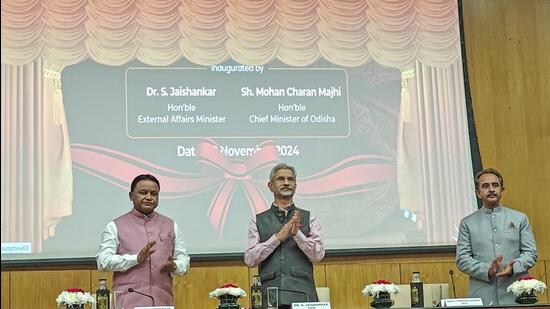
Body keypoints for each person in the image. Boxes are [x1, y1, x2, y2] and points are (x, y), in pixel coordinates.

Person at [96, 174, 190, 309]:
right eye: (143, 192)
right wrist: (135, 259)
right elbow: (103, 261)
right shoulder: (115, 226)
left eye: (154, 194)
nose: (149, 197)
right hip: (127, 303)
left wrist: (174, 266)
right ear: (131, 196)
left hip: (162, 303)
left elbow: (184, 260)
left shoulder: (171, 225)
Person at [244, 163, 325, 308]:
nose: (286, 183)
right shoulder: (257, 220)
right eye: (281, 179)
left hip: (303, 295)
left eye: (290, 179)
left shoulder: (310, 217)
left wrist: (297, 235)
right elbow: (250, 259)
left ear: (295, 185)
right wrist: (277, 237)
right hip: (270, 296)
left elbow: (317, 256)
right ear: (270, 186)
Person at [456, 168, 537, 305]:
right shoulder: (467, 223)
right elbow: (462, 259)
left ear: (502, 190)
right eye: (485, 186)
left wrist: (513, 268)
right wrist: (487, 269)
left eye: (495, 185)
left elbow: (531, 253)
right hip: (483, 297)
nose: (491, 189)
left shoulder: (519, 219)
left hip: (517, 296)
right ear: (478, 193)